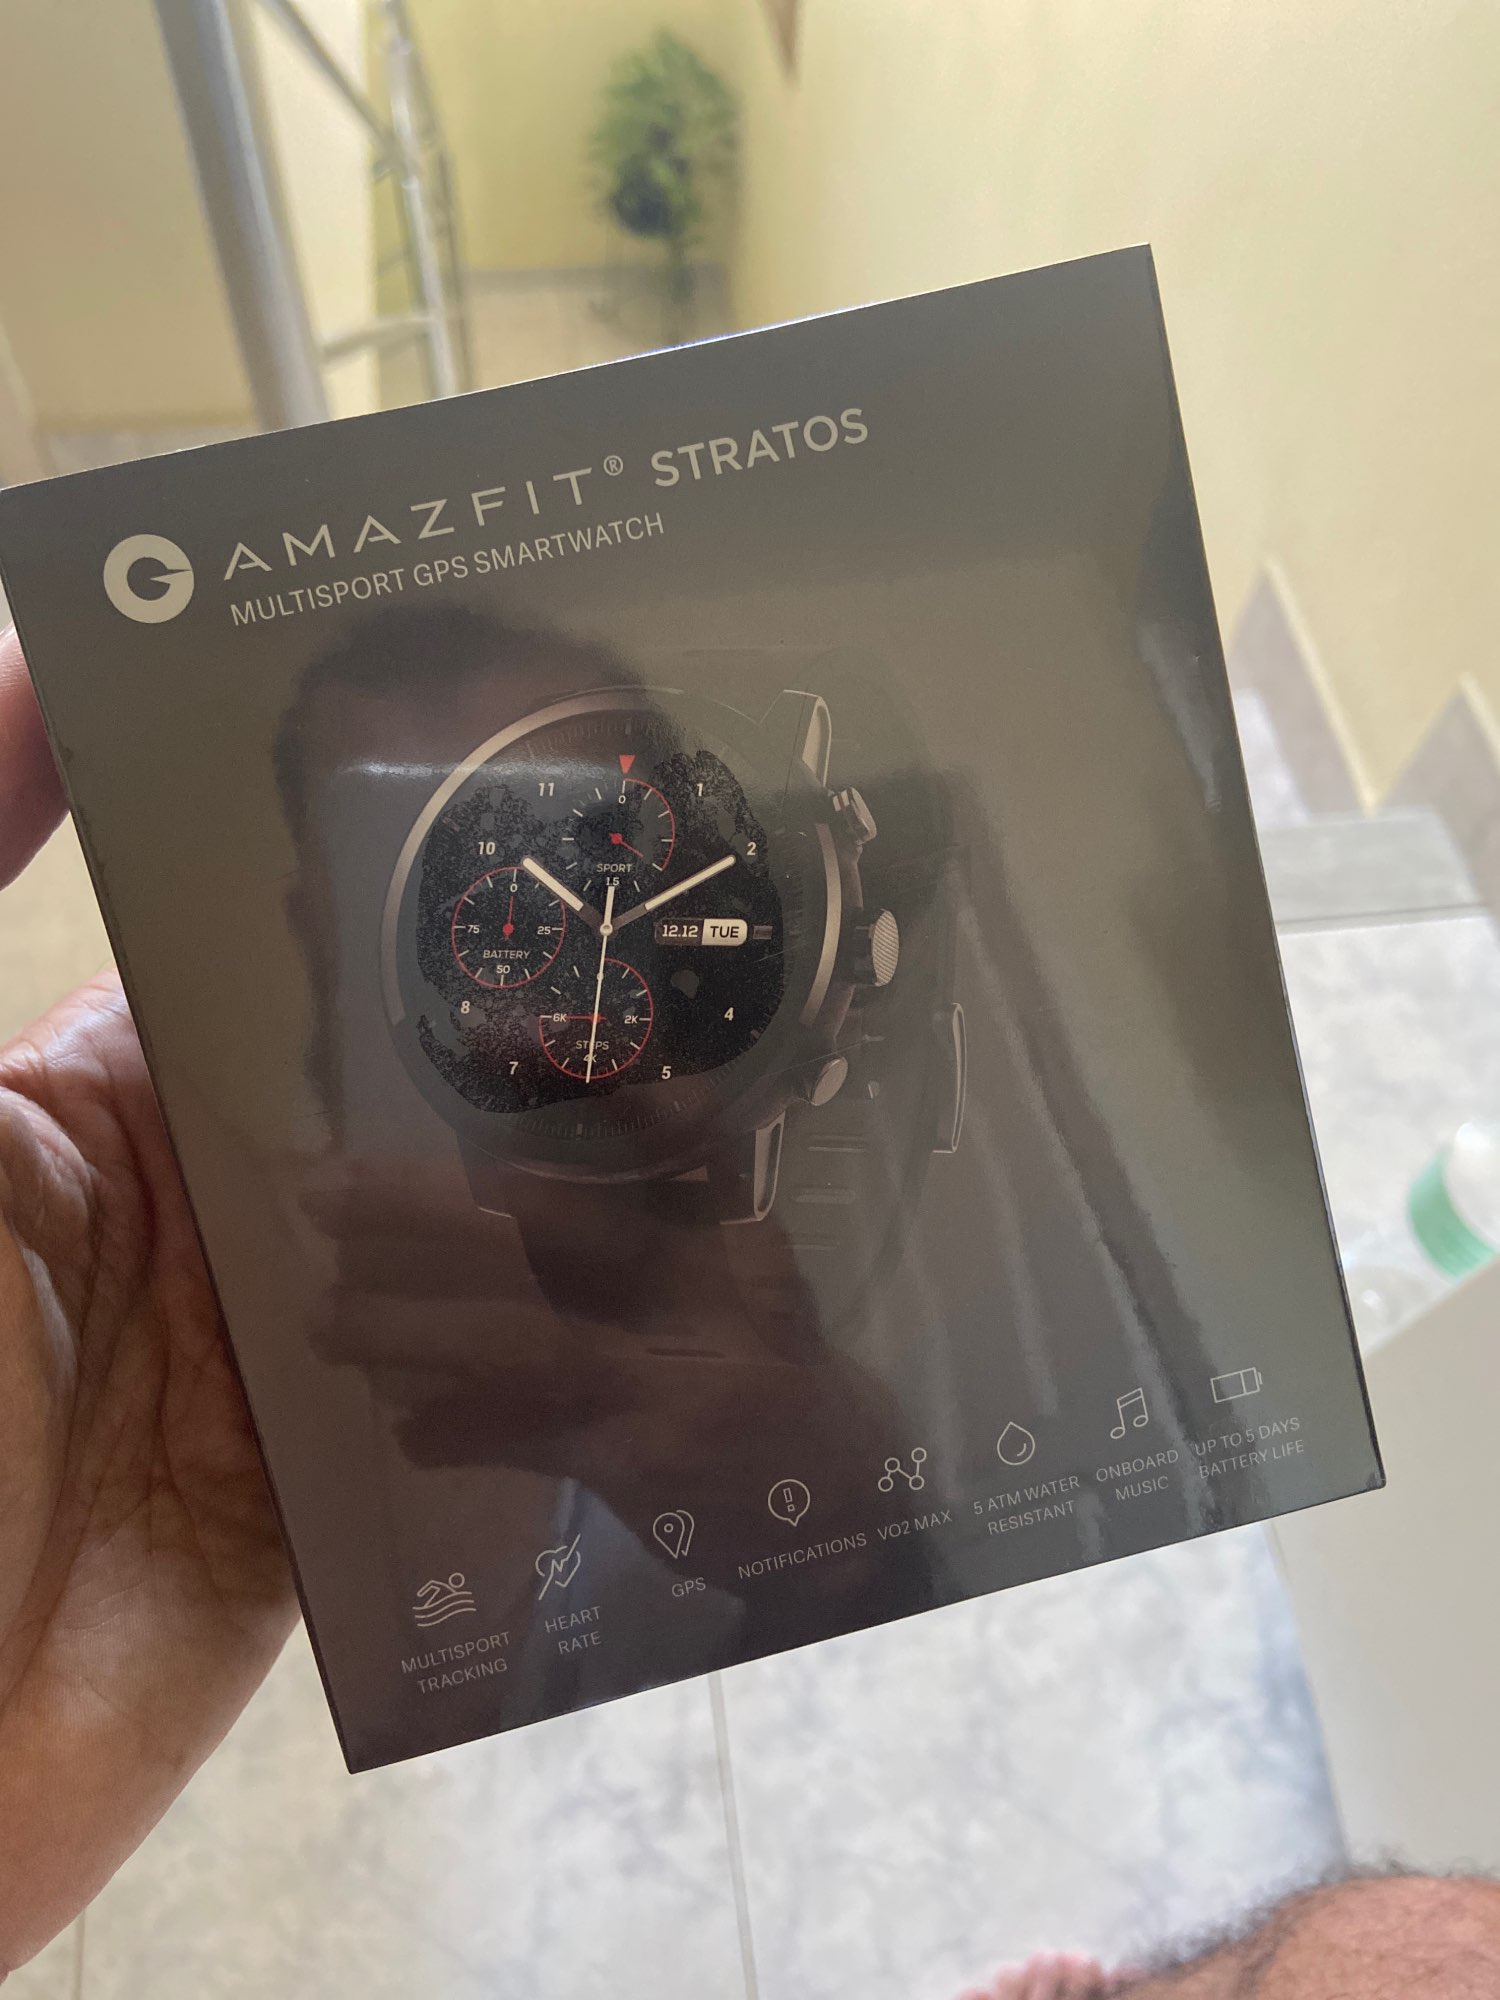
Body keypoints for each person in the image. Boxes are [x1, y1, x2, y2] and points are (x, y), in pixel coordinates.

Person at [2, 623, 1498, 1993]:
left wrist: (844, 1535)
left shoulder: (965, 1275)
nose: (559, 971)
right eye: (448, 876)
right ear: (321, 921)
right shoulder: (181, 1321)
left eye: (607, 849)